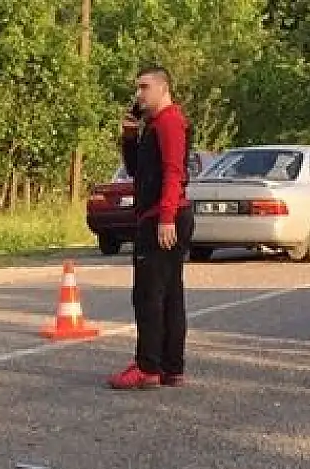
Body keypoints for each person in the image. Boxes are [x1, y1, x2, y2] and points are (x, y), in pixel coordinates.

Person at [107, 65, 195, 390]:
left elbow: (174, 172)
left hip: (162, 217)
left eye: (144, 87)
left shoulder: (169, 121)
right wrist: (129, 138)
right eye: (138, 88)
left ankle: (148, 366)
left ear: (162, 88)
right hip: (158, 215)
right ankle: (171, 367)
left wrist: (166, 218)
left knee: (149, 295)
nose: (139, 94)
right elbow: (135, 171)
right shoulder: (153, 125)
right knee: (169, 294)